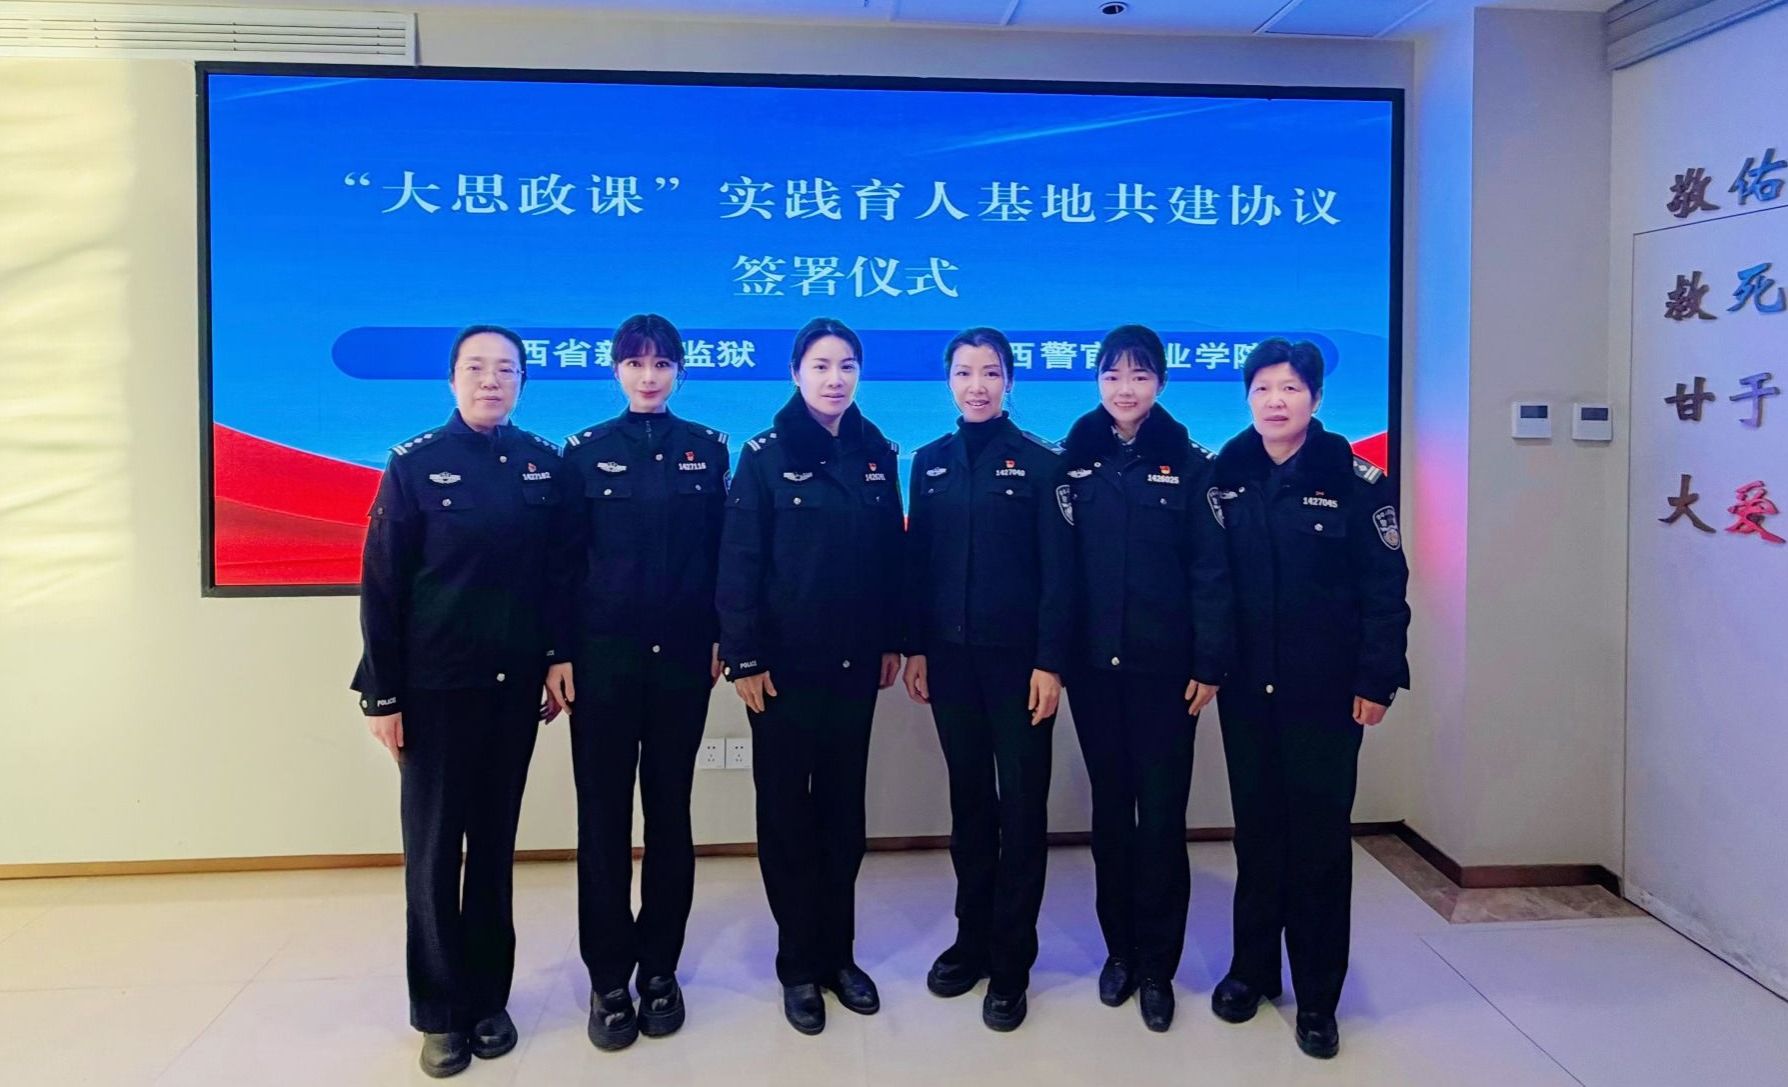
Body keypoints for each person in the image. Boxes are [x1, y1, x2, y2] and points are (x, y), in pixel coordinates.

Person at [351, 324, 573, 1079]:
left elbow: (557, 578)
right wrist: (382, 693)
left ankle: (487, 1000)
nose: (491, 381)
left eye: (506, 369)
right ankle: (440, 1012)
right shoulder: (414, 464)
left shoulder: (543, 464)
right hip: (433, 691)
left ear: (521, 383)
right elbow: (382, 584)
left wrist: (555, 658)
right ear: (452, 380)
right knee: (435, 851)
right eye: (476, 368)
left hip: (512, 690)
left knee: (494, 849)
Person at [1207, 338, 1410, 1061]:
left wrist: (1376, 678)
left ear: (1316, 399)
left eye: (1291, 388)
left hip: (1325, 693)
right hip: (1246, 691)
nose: (1276, 401)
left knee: (1319, 844)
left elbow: (1385, 588)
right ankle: (1253, 971)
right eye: (1263, 388)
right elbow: (1211, 582)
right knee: (1257, 834)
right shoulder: (1224, 473)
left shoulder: (1356, 479)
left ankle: (1318, 996)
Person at [716, 317, 905, 1035]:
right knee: (787, 817)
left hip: (856, 666)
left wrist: (893, 639)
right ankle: (797, 964)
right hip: (782, 673)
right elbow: (739, 562)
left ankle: (838, 956)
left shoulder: (877, 451)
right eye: (821, 365)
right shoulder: (763, 457)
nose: (835, 378)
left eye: (847, 365)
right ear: (796, 373)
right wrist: (745, 656)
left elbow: (890, 559)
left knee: (842, 814)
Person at [552, 314, 730, 1051]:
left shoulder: (709, 449)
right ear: (616, 370)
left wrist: (722, 637)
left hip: (683, 661)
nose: (649, 376)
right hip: (603, 664)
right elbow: (563, 563)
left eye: (662, 363)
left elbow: (724, 556)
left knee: (670, 816)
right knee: (602, 822)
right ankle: (607, 978)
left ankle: (659, 969)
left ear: (680, 370)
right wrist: (559, 652)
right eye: (635, 363)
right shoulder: (584, 452)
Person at [1059, 324, 1234, 1033]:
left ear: (1160, 382)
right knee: (1110, 815)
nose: (1124, 389)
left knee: (1161, 819)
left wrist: (1209, 661)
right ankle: (1120, 952)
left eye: (1138, 375)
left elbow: (1211, 572)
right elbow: (1060, 572)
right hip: (1094, 673)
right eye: (1112, 375)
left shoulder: (1192, 465)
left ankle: (1158, 965)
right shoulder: (1072, 460)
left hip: (1167, 675)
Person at [902, 327, 1072, 1032]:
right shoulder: (929, 463)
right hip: (950, 662)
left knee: (1023, 810)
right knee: (969, 805)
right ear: (948, 381)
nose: (977, 385)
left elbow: (1060, 574)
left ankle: (1011, 963)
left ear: (1009, 382)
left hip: (1021, 667)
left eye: (991, 372)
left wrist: (1050, 662)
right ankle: (970, 940)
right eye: (965, 372)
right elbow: (918, 565)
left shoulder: (1041, 462)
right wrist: (916, 648)